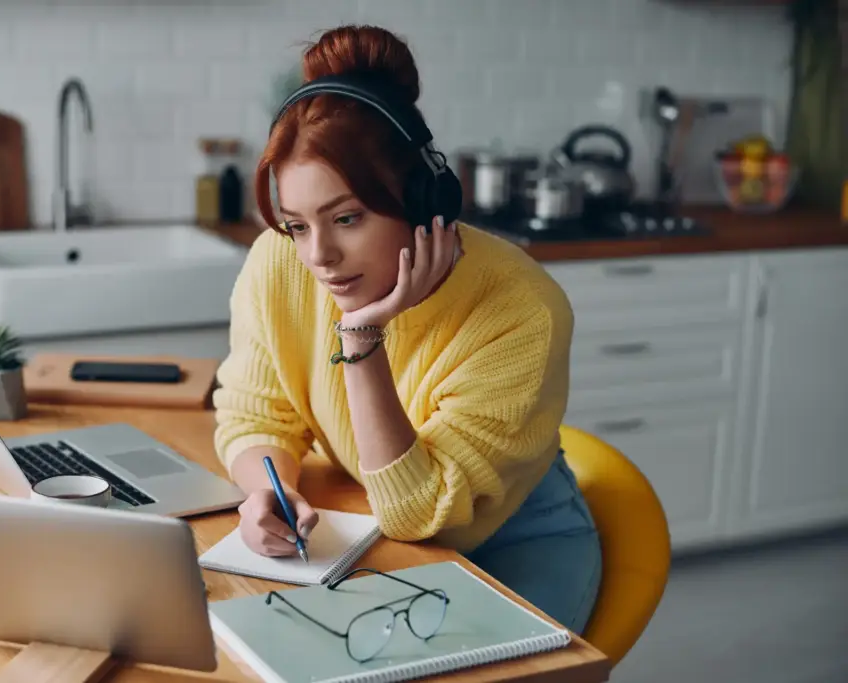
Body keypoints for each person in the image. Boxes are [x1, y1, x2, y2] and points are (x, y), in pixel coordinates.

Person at [212, 24, 602, 635]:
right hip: (371, 516)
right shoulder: (278, 264)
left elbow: (424, 514)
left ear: (424, 202)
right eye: (297, 225)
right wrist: (266, 490)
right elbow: (255, 415)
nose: (319, 256)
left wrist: (362, 340)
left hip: (511, 536)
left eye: (347, 217)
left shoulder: (524, 310)